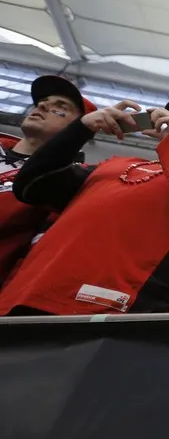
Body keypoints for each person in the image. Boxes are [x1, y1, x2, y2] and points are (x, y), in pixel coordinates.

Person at [0, 99, 169, 315]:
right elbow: (31, 185)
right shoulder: (112, 165)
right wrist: (83, 128)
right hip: (21, 301)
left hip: (106, 315)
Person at [0, 75, 95, 285]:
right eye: (43, 102)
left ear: (79, 128)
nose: (42, 106)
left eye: (60, 107)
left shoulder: (67, 183)